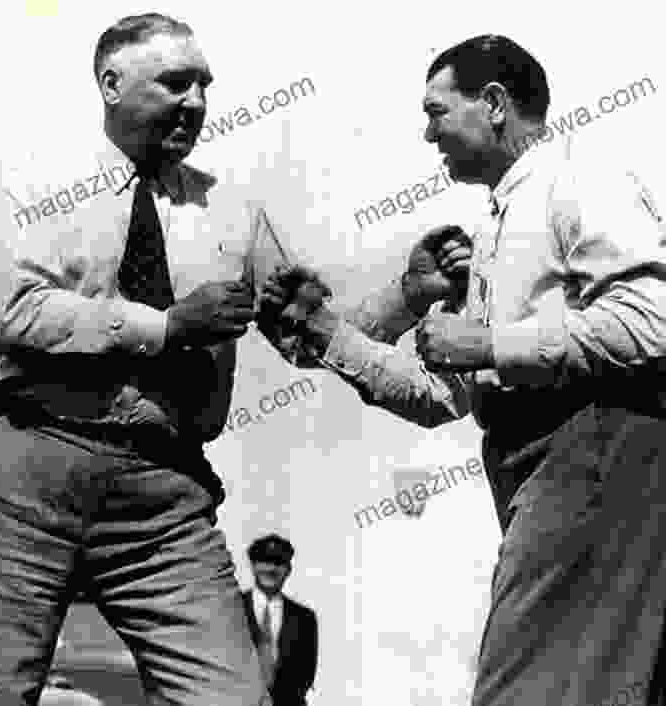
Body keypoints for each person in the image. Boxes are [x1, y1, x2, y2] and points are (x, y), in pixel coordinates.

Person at [258, 35, 666, 706]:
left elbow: (652, 323)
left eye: (437, 111)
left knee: (524, 691)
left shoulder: (578, 181)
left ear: (496, 105)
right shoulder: (494, 230)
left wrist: (489, 344)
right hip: (542, 472)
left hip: (598, 458)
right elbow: (436, 396)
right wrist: (327, 332)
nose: (427, 133)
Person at [0, 12, 269, 706]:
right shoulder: (27, 180)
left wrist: (407, 292)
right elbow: (11, 308)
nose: (197, 102)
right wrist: (168, 326)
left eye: (204, 85)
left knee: (232, 699)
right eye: (177, 83)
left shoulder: (228, 209)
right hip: (26, 472)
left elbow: (312, 323)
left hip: (163, 493)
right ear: (111, 84)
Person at [241, 535, 318, 706]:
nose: (271, 569)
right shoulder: (232, 607)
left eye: (278, 563)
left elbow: (305, 676)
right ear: (253, 565)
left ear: (288, 569)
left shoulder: (304, 619)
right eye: (265, 562)